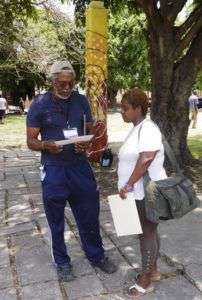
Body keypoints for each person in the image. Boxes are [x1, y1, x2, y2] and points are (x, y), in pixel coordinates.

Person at [26, 61, 117, 282]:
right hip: (54, 169)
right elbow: (30, 141)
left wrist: (85, 144)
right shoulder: (39, 104)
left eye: (70, 83)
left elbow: (88, 132)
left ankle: (96, 255)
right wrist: (47, 145)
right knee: (55, 219)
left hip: (79, 167)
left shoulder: (81, 101)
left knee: (89, 212)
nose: (66, 88)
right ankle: (62, 262)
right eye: (61, 83)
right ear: (52, 81)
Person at [118, 88, 167, 297]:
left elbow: (146, 158)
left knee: (146, 233)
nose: (122, 112)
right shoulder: (137, 127)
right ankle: (153, 270)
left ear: (138, 108)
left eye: (126, 108)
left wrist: (128, 184)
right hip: (137, 191)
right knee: (148, 232)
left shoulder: (147, 129)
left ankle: (146, 280)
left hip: (144, 191)